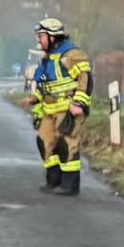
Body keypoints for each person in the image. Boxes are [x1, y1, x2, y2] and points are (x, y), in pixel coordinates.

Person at [28, 16, 92, 195]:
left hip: (68, 110)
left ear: (52, 36)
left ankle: (70, 185)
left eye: (41, 36)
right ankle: (53, 180)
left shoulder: (72, 55)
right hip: (50, 111)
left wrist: (79, 103)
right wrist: (35, 98)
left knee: (66, 145)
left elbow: (85, 79)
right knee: (44, 142)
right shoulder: (48, 58)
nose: (39, 40)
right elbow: (45, 83)